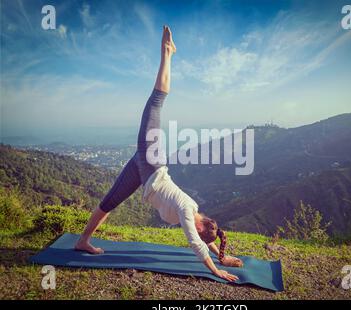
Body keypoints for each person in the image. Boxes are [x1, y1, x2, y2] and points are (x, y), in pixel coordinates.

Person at [75, 26, 243, 282]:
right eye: (198, 232)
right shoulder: (188, 211)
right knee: (155, 103)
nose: (195, 234)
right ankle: (167, 53)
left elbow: (201, 239)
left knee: (109, 202)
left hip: (144, 175)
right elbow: (197, 244)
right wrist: (216, 270)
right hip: (152, 163)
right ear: (200, 226)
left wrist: (223, 255)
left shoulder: (195, 215)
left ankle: (82, 241)